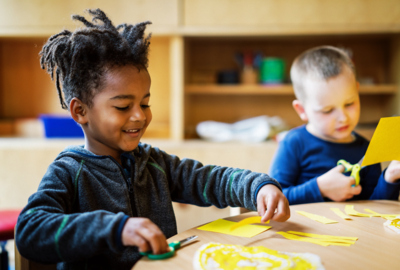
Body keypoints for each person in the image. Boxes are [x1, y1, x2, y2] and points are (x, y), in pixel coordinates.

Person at [15, 9, 290, 270]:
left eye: (145, 104)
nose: (139, 116)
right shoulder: (69, 172)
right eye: (123, 106)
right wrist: (116, 229)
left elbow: (210, 179)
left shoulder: (154, 163)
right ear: (80, 111)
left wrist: (258, 187)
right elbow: (30, 230)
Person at [269, 45, 400, 205]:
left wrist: (390, 179)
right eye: (327, 110)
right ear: (302, 110)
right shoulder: (294, 143)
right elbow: (274, 198)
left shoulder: (367, 150)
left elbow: (375, 208)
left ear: (357, 91)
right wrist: (320, 188)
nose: (342, 117)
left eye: (349, 103)